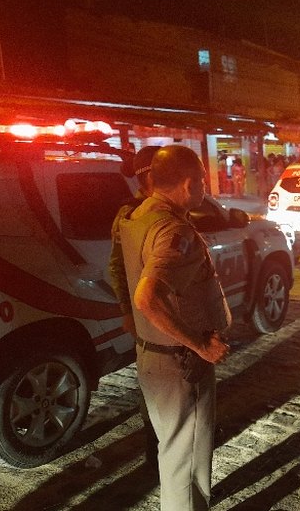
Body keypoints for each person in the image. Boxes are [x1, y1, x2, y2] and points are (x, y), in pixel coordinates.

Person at [119, 145, 231, 511]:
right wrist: (199, 346)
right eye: (201, 180)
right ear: (188, 184)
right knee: (185, 461)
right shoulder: (172, 231)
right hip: (179, 363)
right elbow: (146, 297)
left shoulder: (138, 217)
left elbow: (121, 278)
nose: (204, 187)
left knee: (176, 452)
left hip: (155, 355)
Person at [108, 145, 161, 469]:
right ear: (150, 176)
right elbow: (116, 267)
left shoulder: (170, 206)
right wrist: (128, 312)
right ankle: (155, 452)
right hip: (149, 314)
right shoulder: (130, 213)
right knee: (153, 384)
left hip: (177, 312)